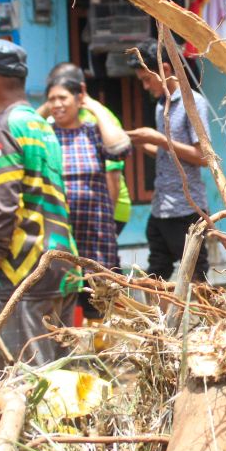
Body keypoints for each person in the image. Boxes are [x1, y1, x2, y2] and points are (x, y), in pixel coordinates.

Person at [0, 40, 80, 368]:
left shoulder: (3, 129)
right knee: (60, 374)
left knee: (26, 378)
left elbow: (1, 210)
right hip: (62, 266)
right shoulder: (39, 125)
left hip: (24, 274)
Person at [43, 64, 131, 320]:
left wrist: (92, 105)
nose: (57, 104)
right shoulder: (46, 134)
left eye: (62, 98)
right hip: (59, 236)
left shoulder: (93, 131)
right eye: (51, 99)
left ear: (78, 98)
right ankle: (69, 342)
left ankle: (104, 344)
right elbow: (21, 134)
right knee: (60, 301)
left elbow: (120, 148)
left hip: (95, 234)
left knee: (101, 299)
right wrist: (45, 108)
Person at [124, 40, 212, 283]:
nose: (145, 86)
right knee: (156, 272)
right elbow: (168, 154)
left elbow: (203, 157)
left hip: (187, 208)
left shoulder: (193, 103)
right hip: (161, 206)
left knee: (195, 273)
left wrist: (160, 140)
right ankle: (161, 311)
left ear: (165, 69)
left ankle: (206, 309)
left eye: (146, 79)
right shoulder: (161, 105)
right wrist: (139, 142)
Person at [41, 63, 133, 236]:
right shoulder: (53, 121)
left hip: (105, 212)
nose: (57, 103)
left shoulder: (97, 119)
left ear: (80, 90)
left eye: (63, 94)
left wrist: (107, 223)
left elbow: (112, 175)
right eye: (52, 94)